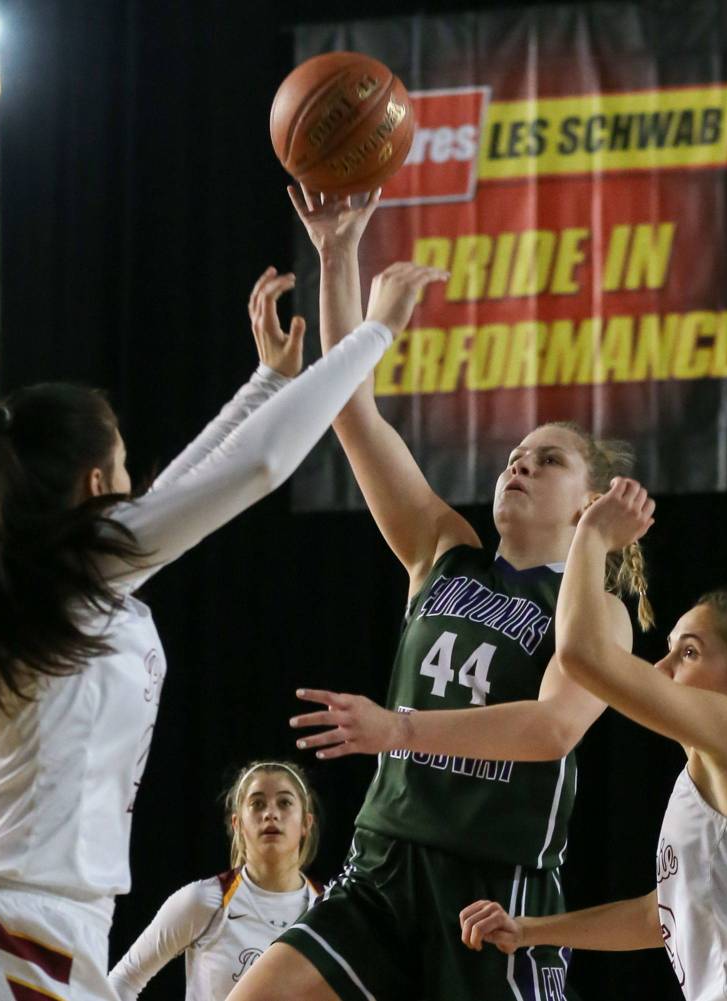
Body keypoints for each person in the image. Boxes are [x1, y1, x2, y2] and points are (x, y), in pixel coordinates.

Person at [0, 261, 446, 1001]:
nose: (136, 489)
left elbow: (184, 491)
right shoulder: (68, 575)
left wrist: (266, 384)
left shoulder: (44, 579)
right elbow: (258, 466)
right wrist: (374, 333)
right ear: (93, 485)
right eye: (121, 467)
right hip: (10, 934)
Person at [225, 189, 650, 1001]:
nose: (519, 463)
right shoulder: (443, 550)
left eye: (549, 460)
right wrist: (337, 251)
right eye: (516, 454)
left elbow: (554, 728)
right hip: (383, 863)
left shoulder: (597, 612)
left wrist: (400, 727)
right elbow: (352, 409)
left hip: (494, 887)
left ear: (590, 501)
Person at [458, 478, 727, 1001]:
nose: (660, 668)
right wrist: (529, 932)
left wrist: (590, 536)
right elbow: (659, 913)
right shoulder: (704, 778)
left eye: (688, 652)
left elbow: (584, 656)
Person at [109, 761, 322, 1001]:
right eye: (257, 804)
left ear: (306, 823)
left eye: (284, 803)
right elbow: (123, 980)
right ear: (238, 824)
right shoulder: (205, 901)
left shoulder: (329, 910)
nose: (270, 814)